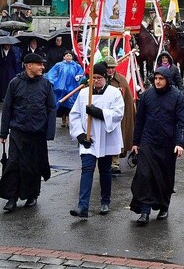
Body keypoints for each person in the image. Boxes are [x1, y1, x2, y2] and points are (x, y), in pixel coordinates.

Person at [0, 53, 57, 212]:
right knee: (14, 164)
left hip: (37, 133)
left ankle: (32, 195)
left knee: (33, 166)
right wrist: (3, 133)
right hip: (18, 132)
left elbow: (51, 109)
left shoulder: (46, 84)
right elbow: (7, 108)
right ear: (29, 65)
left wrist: (49, 133)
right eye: (39, 64)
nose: (43, 67)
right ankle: (11, 198)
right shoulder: (14, 83)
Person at [130, 66, 184, 225]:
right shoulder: (147, 95)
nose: (157, 81)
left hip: (167, 144)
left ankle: (164, 206)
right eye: (155, 78)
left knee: (164, 178)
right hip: (148, 142)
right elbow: (140, 120)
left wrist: (180, 143)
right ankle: (144, 211)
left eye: (161, 79)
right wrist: (136, 142)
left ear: (167, 80)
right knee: (144, 175)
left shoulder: (176, 96)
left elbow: (183, 122)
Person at [68, 62, 125, 218]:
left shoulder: (114, 93)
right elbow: (75, 115)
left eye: (99, 77)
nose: (96, 80)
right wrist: (80, 135)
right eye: (93, 77)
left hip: (106, 137)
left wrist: (99, 113)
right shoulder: (84, 93)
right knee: (87, 169)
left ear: (105, 77)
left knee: (105, 170)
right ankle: (82, 206)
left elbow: (118, 113)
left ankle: (105, 201)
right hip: (89, 139)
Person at [103, 55, 135, 175]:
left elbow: (128, 99)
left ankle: (115, 163)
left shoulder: (121, 80)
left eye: (112, 67)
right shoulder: (98, 79)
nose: (110, 70)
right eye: (108, 68)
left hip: (117, 116)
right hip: (103, 115)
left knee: (116, 138)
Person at [45, 50, 84, 127]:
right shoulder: (59, 65)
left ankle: (70, 120)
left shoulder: (76, 66)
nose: (69, 57)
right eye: (67, 55)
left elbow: (81, 74)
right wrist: (53, 82)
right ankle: (63, 119)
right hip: (61, 89)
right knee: (61, 104)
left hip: (73, 89)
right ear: (64, 57)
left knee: (71, 105)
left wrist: (79, 77)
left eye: (70, 56)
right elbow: (52, 74)